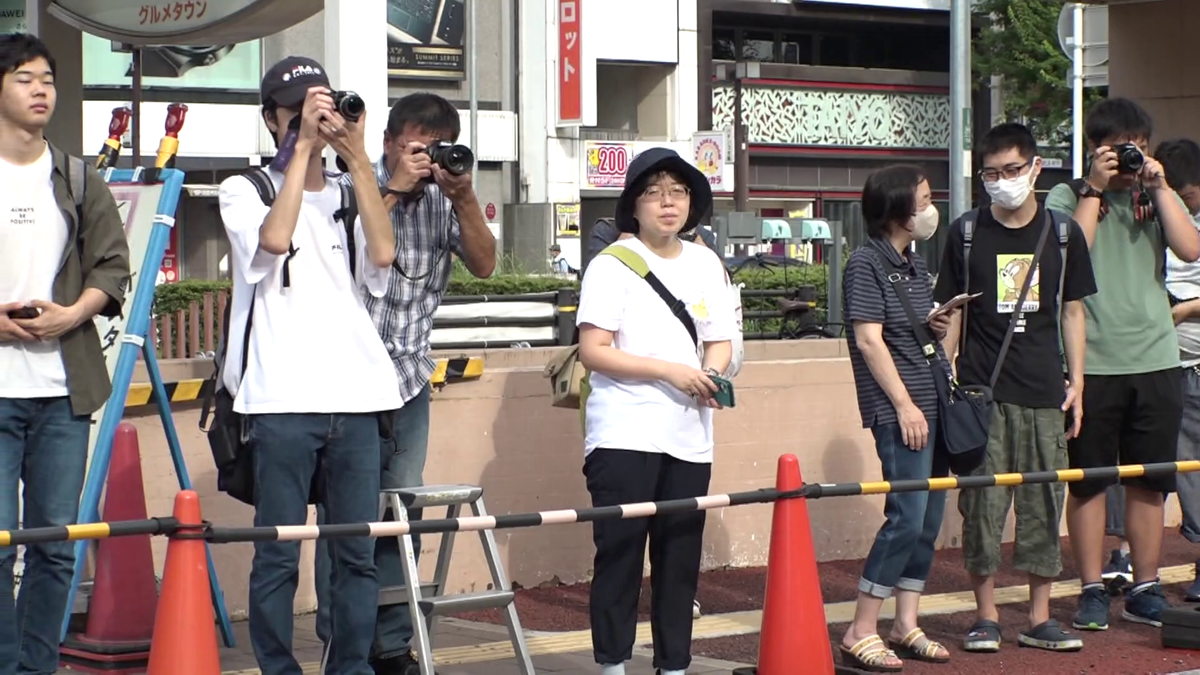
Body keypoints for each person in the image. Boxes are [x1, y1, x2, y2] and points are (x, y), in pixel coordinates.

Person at [218, 56, 401, 675]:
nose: (314, 121)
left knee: (355, 554)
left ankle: (349, 667)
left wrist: (356, 157)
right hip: (280, 400)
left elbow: (383, 251)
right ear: (272, 119)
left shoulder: (351, 191)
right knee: (277, 554)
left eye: (321, 108)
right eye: (297, 112)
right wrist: (301, 153)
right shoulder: (246, 188)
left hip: (356, 397)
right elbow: (272, 242)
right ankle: (278, 669)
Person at [314, 91, 496, 675]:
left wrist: (464, 195)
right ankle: (342, 642)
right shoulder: (346, 190)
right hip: (344, 382)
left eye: (435, 150)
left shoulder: (447, 202)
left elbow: (486, 263)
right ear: (389, 141)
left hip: (410, 379)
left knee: (402, 513)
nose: (425, 160)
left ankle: (391, 644)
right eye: (415, 148)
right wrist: (389, 186)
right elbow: (340, 258)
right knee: (345, 517)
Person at [935, 123, 1096, 652]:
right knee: (981, 508)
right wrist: (945, 371)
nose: (1002, 181)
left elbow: (1072, 311)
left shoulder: (1064, 234)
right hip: (983, 393)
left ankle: (1040, 617)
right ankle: (986, 616)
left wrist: (1077, 381)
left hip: (1045, 392)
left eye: (1011, 170)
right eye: (991, 173)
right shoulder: (964, 232)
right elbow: (953, 314)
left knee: (1044, 505)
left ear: (1035, 168)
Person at [575, 147, 735, 675]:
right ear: (634, 205)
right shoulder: (610, 265)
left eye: (679, 192)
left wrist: (711, 373)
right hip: (623, 432)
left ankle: (674, 667)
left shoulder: (706, 261)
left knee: (680, 561)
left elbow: (720, 340)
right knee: (619, 556)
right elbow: (593, 350)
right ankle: (613, 666)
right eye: (654, 192)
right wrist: (670, 371)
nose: (668, 203)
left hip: (689, 434)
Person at [0, 33, 130, 675]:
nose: (41, 88)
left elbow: (113, 266)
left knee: (54, 547)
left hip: (62, 391)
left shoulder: (78, 177)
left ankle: (36, 666)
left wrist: (73, 313)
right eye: (25, 77)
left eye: (46, 77)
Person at [1046, 97, 1200, 630]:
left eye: (1135, 146)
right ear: (1093, 149)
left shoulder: (1152, 194)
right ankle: (1091, 587)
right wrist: (1094, 188)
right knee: (1087, 481)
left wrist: (1157, 188)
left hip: (1157, 356)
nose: (1126, 157)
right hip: (1094, 361)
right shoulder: (1069, 194)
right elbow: (1070, 256)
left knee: (1150, 482)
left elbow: (1190, 249)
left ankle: (1146, 585)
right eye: (1114, 148)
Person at [839, 164, 952, 671]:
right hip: (900, 407)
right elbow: (868, 338)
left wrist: (935, 323)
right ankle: (861, 628)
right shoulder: (865, 263)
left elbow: (905, 332)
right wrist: (904, 404)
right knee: (905, 516)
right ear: (899, 209)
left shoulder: (914, 263)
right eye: (924, 200)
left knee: (927, 519)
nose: (931, 209)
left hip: (932, 403)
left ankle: (907, 621)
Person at [1156, 138, 1200, 600]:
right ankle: (1126, 555)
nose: (1185, 205)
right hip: (1161, 365)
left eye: (1186, 196)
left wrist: (1184, 311)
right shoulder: (1154, 218)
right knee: (1162, 469)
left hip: (1196, 364)